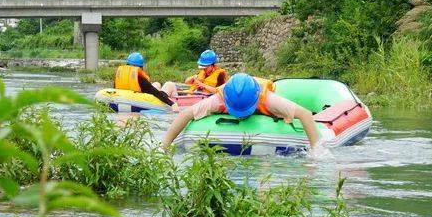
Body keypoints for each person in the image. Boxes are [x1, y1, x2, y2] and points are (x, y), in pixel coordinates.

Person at [162, 73, 321, 150]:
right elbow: (185, 114)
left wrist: (317, 150)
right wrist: (164, 147)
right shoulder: (218, 99)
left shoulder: (268, 99)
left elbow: (305, 114)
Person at [114, 52, 178, 112]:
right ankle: (176, 101)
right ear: (141, 67)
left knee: (156, 84)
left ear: (127, 64)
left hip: (124, 98)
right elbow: (156, 93)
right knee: (169, 84)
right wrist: (172, 104)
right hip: (147, 99)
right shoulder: (141, 79)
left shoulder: (120, 75)